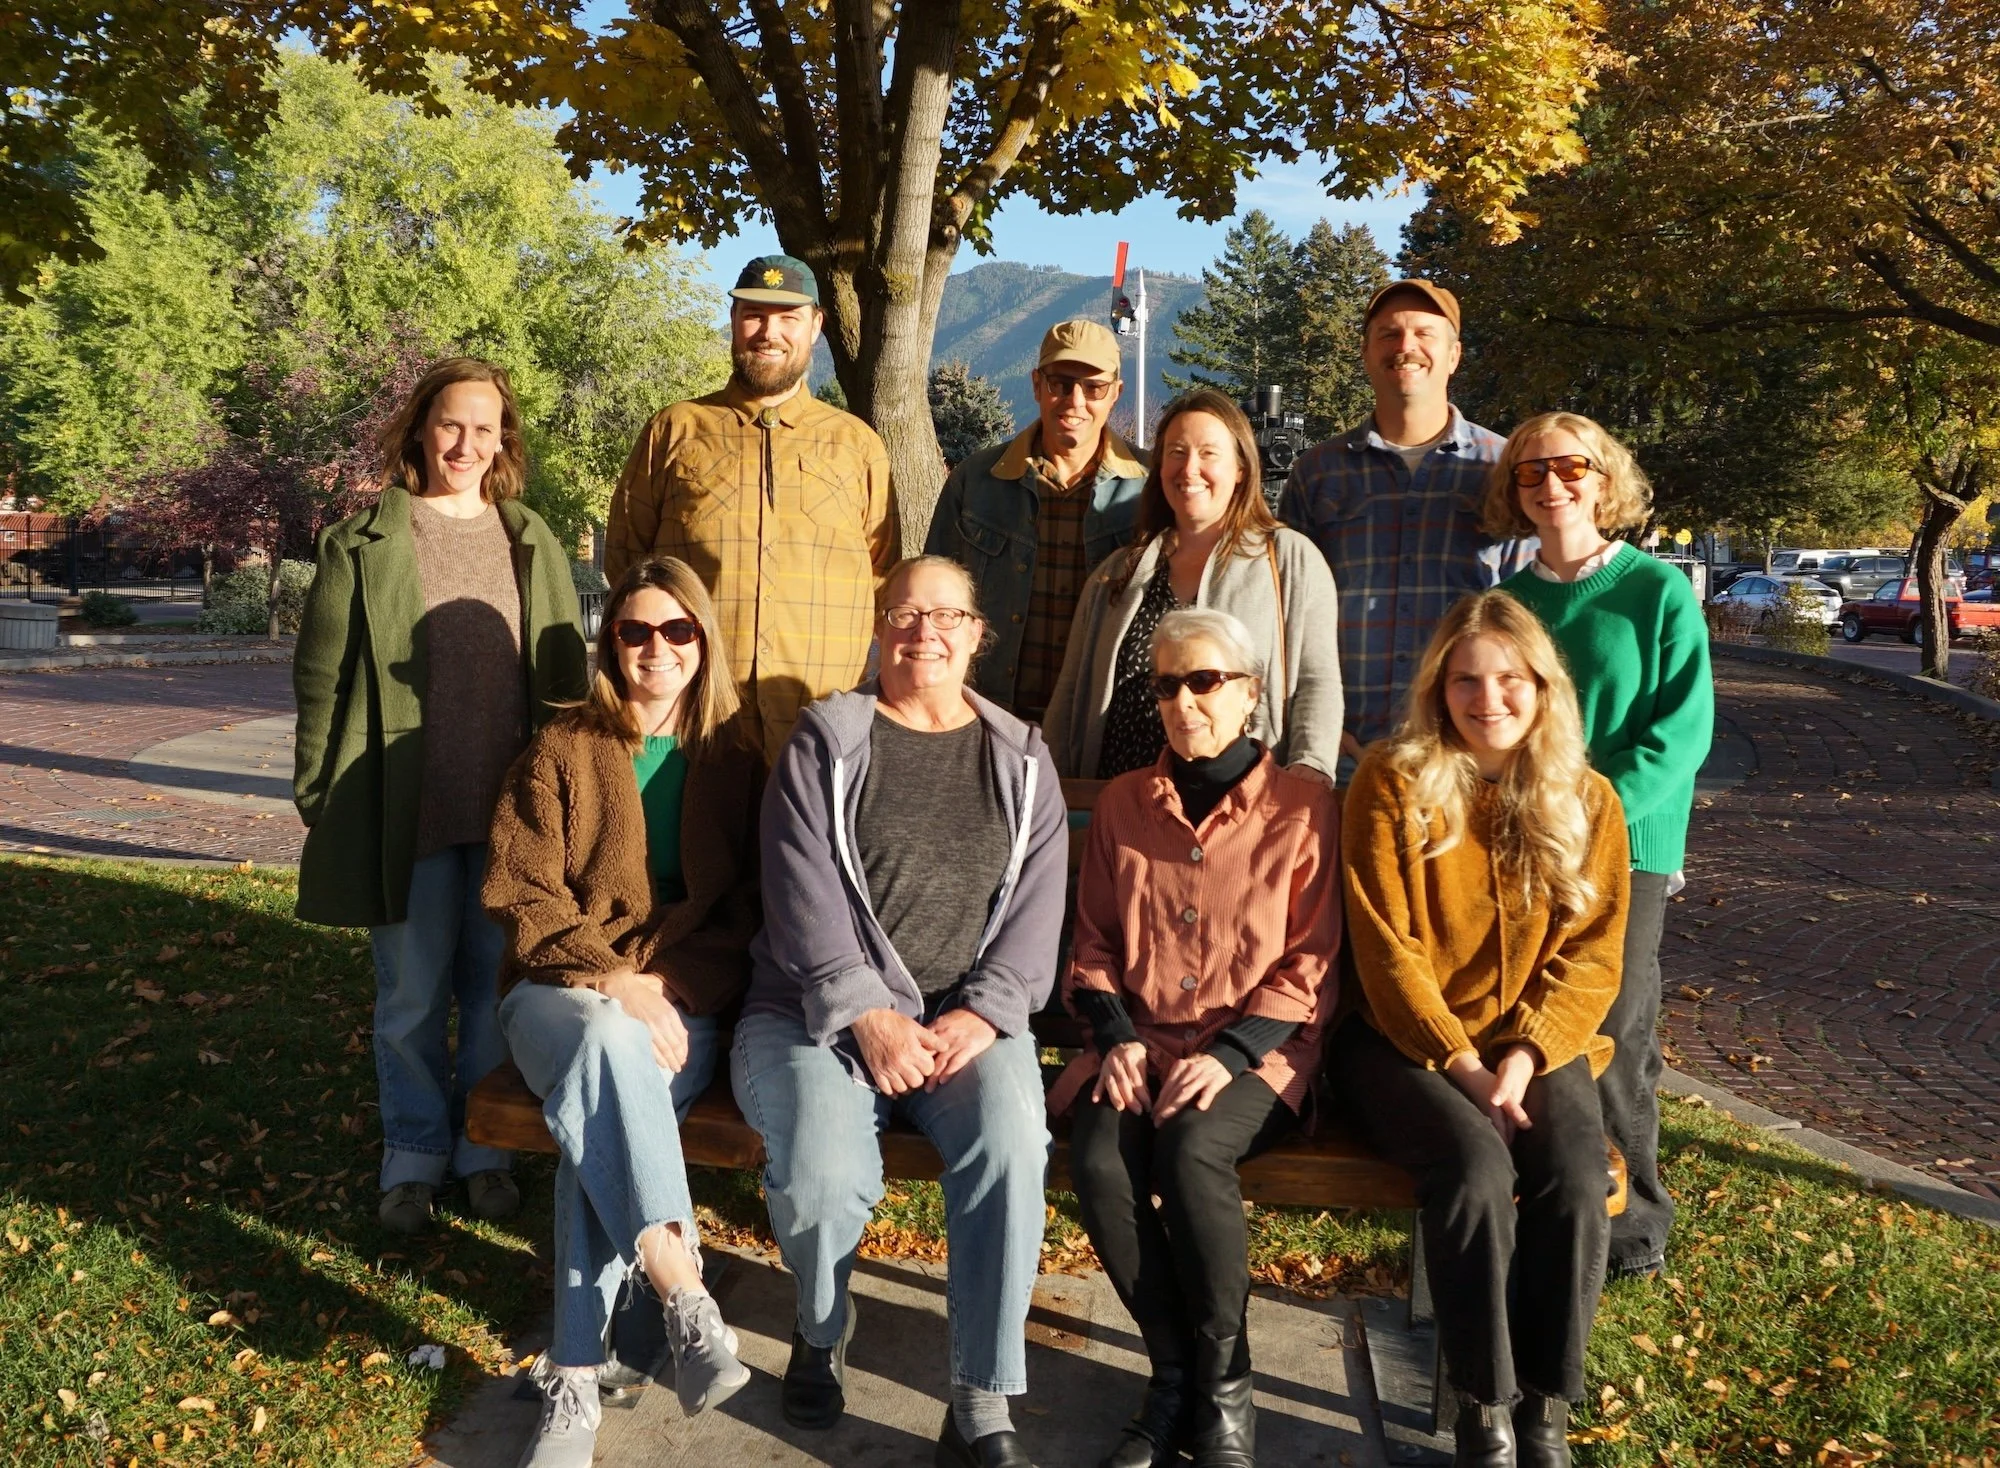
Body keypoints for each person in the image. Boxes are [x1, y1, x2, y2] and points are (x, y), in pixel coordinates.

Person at [731, 556, 1068, 1468]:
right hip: (814, 1016)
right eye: (906, 614)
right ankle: (822, 1323)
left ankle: (979, 1396)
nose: (926, 632)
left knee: (1008, 1141)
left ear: (977, 633)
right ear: (880, 628)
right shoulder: (827, 741)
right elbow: (799, 895)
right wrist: (866, 1014)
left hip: (965, 1021)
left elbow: (1038, 909)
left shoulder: (1022, 757)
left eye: (947, 615)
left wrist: (989, 1015)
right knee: (824, 1178)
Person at [293, 357, 587, 1236]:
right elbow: (321, 678)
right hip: (404, 811)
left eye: (485, 428)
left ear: (506, 440)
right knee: (412, 1000)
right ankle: (413, 1155)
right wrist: (319, 788)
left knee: (496, 997)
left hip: (512, 820)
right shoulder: (364, 543)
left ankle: (485, 1151)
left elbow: (568, 685)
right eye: (451, 423)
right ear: (421, 426)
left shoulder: (530, 539)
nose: (466, 443)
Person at [1335, 590, 1629, 1468]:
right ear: (1438, 689)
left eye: (1509, 679)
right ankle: (1484, 1406)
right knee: (1471, 1171)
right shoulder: (1390, 780)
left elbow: (1593, 956)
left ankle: (1545, 1405)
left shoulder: (1588, 799)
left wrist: (1524, 1055)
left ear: (1543, 688)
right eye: (1466, 679)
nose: (1487, 697)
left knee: (1576, 1178)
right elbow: (1386, 953)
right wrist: (1464, 1066)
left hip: (1538, 1044)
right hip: (1403, 1040)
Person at [482, 556, 760, 1464]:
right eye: (636, 630)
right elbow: (521, 891)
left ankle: (572, 1381)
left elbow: (746, 911)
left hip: (681, 1000)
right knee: (604, 1039)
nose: (656, 648)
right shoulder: (563, 748)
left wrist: (663, 984)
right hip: (554, 995)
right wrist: (612, 979)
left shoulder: (733, 759)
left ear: (702, 643)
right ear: (612, 643)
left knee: (593, 1128)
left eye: (677, 630)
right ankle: (681, 1285)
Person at [1049, 608, 1340, 1468]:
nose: (1185, 701)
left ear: (1250, 693)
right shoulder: (1125, 804)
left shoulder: (1301, 805)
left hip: (1259, 1049)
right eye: (1168, 684)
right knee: (1100, 1157)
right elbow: (1093, 945)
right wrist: (1118, 1039)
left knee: (1191, 1150)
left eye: (1205, 681)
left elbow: (1311, 961)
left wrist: (1230, 1055)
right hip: (1142, 1042)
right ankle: (1171, 1372)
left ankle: (1224, 1387)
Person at [1487, 413, 1713, 1281]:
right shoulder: (1508, 605)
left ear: (1602, 476)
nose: (1551, 484)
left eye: (1570, 466)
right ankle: (1550, 1193)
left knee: (1618, 1029)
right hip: (1521, 843)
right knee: (1530, 1015)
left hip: (1628, 845)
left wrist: (1591, 809)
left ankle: (1634, 1226)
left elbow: (1681, 732)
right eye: (1530, 472)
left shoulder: (1658, 592)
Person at [603, 254, 900, 764]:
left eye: (788, 317)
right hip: (692, 725)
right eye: (754, 315)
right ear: (735, 321)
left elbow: (883, 575)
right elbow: (628, 564)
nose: (770, 332)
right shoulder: (674, 430)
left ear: (816, 325)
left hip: (821, 731)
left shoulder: (858, 445)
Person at [1278, 280, 1532, 760]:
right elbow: (1286, 617)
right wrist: (1313, 729)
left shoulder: (1503, 469)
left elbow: (1532, 624)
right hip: (1342, 753)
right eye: (1389, 334)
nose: (1405, 347)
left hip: (1468, 757)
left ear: (1454, 355)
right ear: (1366, 352)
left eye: (1424, 334)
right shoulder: (1318, 473)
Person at [1045, 388, 1342, 783]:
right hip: (1121, 809)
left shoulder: (1289, 559)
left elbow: (1316, 680)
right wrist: (1052, 790)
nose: (1189, 469)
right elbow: (1070, 697)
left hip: (1243, 812)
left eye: (1208, 453)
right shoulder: (1117, 572)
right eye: (1176, 452)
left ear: (1240, 468)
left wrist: (1311, 768)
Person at [923, 319, 1148, 719]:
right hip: (988, 714)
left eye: (1093, 387)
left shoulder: (1151, 488)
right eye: (1061, 383)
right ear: (1037, 385)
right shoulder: (975, 481)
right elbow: (933, 603)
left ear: (1115, 393)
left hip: (1102, 723)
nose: (1075, 401)